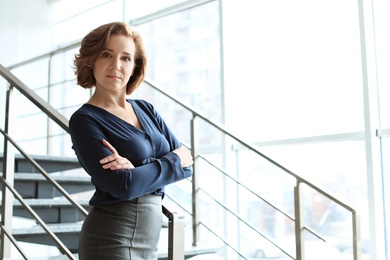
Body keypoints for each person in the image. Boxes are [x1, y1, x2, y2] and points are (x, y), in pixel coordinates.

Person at [69, 21, 193, 260]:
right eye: (107, 54)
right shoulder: (85, 120)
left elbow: (187, 162)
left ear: (135, 65)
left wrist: (137, 169)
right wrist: (168, 164)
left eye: (126, 58)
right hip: (110, 240)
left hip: (148, 240)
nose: (116, 65)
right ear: (92, 59)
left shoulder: (146, 109)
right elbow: (123, 186)